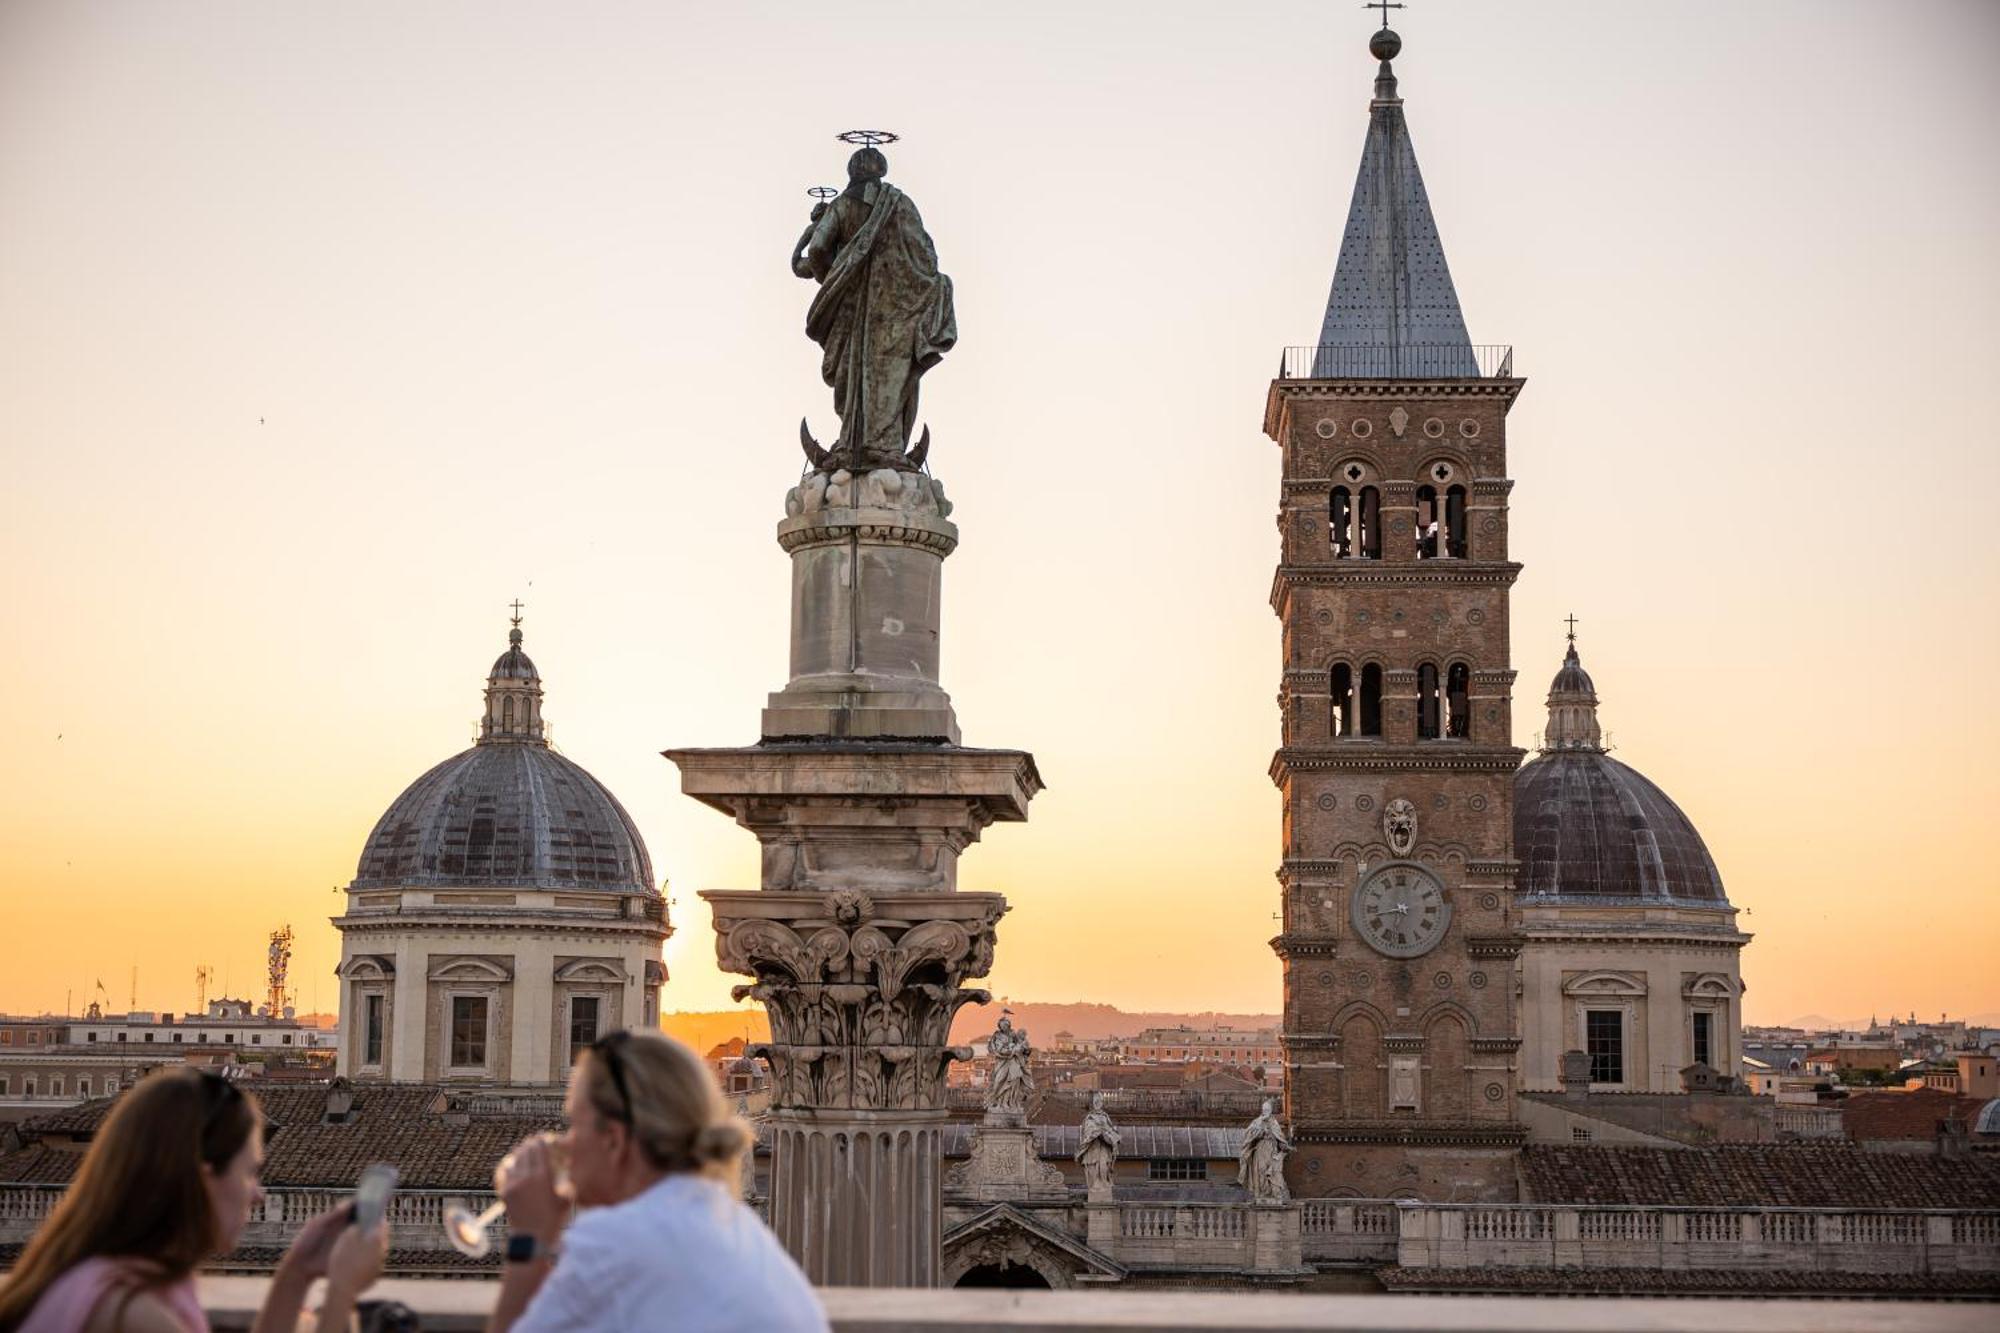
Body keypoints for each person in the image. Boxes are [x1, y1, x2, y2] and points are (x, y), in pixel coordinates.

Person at [0, 1066, 386, 1333]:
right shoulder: (133, 1314)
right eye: (249, 1172)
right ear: (202, 1181)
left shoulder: (99, 1278)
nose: (259, 1194)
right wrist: (342, 1291)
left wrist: (297, 1272)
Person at [490, 1030, 825, 1333]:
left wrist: (530, 1238)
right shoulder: (736, 1224)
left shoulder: (612, 1241)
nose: (566, 1143)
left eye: (575, 1125)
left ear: (614, 1140)